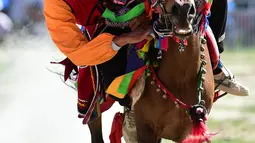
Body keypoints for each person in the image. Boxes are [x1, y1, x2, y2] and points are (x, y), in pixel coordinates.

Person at [44, 0, 249, 143]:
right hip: (106, 27)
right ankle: (128, 106)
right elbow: (78, 52)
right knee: (97, 73)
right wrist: (125, 38)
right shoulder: (56, 5)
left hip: (149, 8)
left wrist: (147, 12)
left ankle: (216, 66)